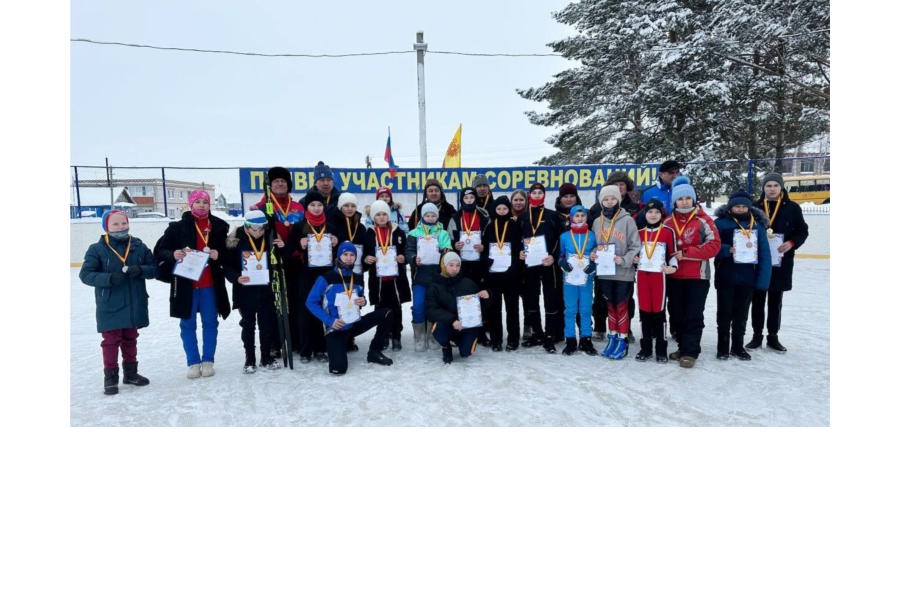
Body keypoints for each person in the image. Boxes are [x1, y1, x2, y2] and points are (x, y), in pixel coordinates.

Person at [154, 189, 231, 378]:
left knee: (210, 322)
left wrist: (218, 254)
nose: (202, 205)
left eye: (205, 202)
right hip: (185, 284)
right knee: (187, 324)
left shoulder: (220, 226)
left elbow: (228, 253)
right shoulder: (176, 227)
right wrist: (173, 254)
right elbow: (160, 251)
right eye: (198, 202)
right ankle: (193, 362)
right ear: (191, 205)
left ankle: (208, 361)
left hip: (210, 284)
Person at [79, 209, 155, 394]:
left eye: (123, 223)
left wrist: (140, 270)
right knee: (111, 341)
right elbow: (86, 274)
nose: (120, 226)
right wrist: (108, 279)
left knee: (130, 338)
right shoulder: (97, 249)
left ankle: (131, 374)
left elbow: (154, 269)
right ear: (106, 227)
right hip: (110, 304)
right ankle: (110, 379)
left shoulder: (138, 245)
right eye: (115, 223)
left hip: (134, 301)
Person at [305, 241, 395, 375]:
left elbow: (360, 297)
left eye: (352, 255)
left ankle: (375, 351)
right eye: (345, 254)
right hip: (336, 328)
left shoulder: (357, 278)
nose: (349, 257)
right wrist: (330, 321)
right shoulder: (326, 278)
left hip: (354, 324)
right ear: (338, 257)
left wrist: (363, 301)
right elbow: (310, 302)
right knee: (338, 370)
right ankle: (340, 345)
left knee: (387, 313)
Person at [746, 172, 809, 353]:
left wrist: (791, 243)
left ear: (781, 187)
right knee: (757, 300)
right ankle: (757, 335)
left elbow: (802, 231)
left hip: (781, 263)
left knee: (775, 301)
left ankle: (773, 336)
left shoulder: (792, 208)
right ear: (763, 188)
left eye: (775, 185)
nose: (771, 189)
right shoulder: (755, 207)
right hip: (758, 262)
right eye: (768, 185)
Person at [662, 180, 721, 368]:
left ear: (694, 200)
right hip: (674, 277)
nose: (685, 202)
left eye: (688, 198)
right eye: (680, 199)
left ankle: (690, 352)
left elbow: (714, 245)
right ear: (674, 202)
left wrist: (687, 253)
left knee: (693, 315)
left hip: (697, 277)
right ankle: (682, 346)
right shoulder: (667, 222)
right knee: (677, 315)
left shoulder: (703, 220)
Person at [251, 166, 305, 356]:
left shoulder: (298, 207)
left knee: (295, 302)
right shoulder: (261, 207)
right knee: (274, 304)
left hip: (294, 261)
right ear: (270, 185)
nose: (280, 184)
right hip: (271, 262)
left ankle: (296, 340)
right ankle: (275, 342)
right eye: (276, 181)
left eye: (283, 181)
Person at [713, 191, 772, 360]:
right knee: (724, 313)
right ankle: (723, 347)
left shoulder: (757, 225)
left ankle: (738, 347)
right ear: (730, 207)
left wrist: (762, 281)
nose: (740, 209)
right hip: (725, 276)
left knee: (741, 315)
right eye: (737, 206)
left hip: (747, 278)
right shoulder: (720, 224)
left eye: (743, 206)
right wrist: (725, 250)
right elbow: (711, 247)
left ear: (749, 207)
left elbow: (765, 254)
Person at [223, 210, 284, 373]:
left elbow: (280, 261)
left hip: (265, 289)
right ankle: (249, 359)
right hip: (245, 290)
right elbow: (227, 266)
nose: (258, 233)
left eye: (261, 229)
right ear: (247, 227)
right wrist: (236, 277)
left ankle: (266, 357)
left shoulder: (270, 236)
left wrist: (282, 248)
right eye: (254, 229)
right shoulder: (235, 240)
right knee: (248, 325)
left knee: (266, 325)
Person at [590, 185, 640, 359]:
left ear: (618, 200)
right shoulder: (597, 222)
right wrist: (594, 254)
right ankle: (613, 337)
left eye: (612, 198)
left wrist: (624, 259)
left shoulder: (627, 220)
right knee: (610, 306)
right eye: (606, 199)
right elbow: (594, 245)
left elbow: (636, 245)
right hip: (604, 273)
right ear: (601, 201)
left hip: (623, 272)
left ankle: (623, 340)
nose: (609, 201)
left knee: (621, 306)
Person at [288, 191, 338, 363]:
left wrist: (336, 243)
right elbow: (288, 252)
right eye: (312, 205)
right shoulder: (299, 226)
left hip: (325, 274)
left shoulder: (330, 227)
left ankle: (321, 348)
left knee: (324, 309)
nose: (316, 208)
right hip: (306, 275)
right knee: (306, 311)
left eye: (319, 205)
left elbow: (342, 252)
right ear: (306, 207)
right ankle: (305, 350)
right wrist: (298, 244)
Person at [519, 182, 564, 353]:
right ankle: (537, 333)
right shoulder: (523, 217)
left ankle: (551, 335)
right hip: (530, 265)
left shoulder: (553, 216)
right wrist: (520, 253)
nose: (537, 195)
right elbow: (517, 240)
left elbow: (561, 239)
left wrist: (553, 256)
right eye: (534, 193)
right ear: (529, 195)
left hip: (548, 264)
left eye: (540, 193)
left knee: (551, 299)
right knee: (531, 299)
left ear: (544, 195)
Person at [632, 200, 678, 362]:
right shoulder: (639, 233)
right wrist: (634, 259)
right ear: (645, 214)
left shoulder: (667, 232)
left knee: (658, 313)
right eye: (650, 212)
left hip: (659, 277)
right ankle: (645, 349)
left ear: (661, 214)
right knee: (644, 312)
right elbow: (634, 253)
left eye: (657, 212)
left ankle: (661, 349)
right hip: (643, 276)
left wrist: (673, 266)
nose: (653, 215)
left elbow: (672, 254)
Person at [363, 199, 411, 350]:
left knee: (396, 308)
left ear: (389, 215)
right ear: (373, 217)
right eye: (378, 215)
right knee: (380, 309)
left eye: (384, 214)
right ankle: (382, 335)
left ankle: (396, 336)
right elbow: (364, 254)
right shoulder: (369, 233)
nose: (382, 217)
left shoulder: (398, 232)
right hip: (378, 280)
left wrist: (403, 258)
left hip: (396, 279)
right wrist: (366, 258)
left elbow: (405, 252)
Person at [426, 252, 491, 364]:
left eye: (457, 265)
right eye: (451, 265)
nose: (454, 268)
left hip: (466, 326)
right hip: (447, 325)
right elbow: (430, 310)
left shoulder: (468, 283)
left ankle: (462, 342)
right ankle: (446, 346)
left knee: (466, 353)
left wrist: (487, 295)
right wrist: (452, 320)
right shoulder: (434, 286)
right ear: (443, 265)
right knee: (438, 327)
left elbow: (480, 307)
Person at [406, 202, 453, 351]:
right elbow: (409, 251)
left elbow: (448, 251)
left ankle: (433, 335)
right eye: (427, 215)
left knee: (435, 306)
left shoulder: (442, 233)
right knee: (418, 306)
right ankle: (419, 336)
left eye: (433, 215)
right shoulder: (414, 233)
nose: (431, 217)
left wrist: (445, 251)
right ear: (422, 216)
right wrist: (414, 258)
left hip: (437, 277)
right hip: (420, 276)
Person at [480, 195, 523, 351]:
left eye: (505, 208)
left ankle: (513, 339)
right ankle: (496, 339)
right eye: (499, 208)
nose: (502, 211)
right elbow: (484, 248)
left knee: (512, 309)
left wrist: (516, 265)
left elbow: (519, 247)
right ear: (495, 210)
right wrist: (486, 262)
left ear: (509, 209)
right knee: (494, 309)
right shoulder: (490, 227)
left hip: (511, 274)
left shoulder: (513, 225)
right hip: (494, 275)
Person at [558, 205, 598, 355]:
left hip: (586, 279)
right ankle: (570, 340)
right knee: (570, 310)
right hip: (569, 280)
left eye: (582, 216)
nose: (580, 218)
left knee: (586, 309)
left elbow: (597, 253)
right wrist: (562, 263)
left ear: (586, 217)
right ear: (571, 218)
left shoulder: (592, 235)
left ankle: (586, 340)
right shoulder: (564, 236)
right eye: (577, 216)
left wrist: (593, 265)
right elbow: (560, 255)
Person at [447, 186, 489, 292]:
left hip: (479, 264)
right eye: (466, 198)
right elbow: (449, 238)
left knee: (479, 293)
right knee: (463, 293)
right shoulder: (455, 218)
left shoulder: (484, 217)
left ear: (476, 199)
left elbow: (490, 238)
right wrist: (454, 245)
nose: (469, 200)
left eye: (472, 197)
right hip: (461, 264)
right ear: (462, 200)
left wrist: (484, 247)